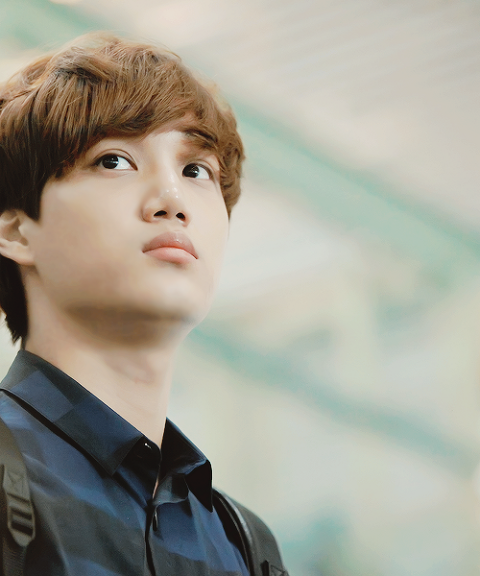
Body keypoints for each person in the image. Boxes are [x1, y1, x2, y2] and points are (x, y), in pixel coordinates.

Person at [0, 32, 286, 575]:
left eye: (196, 171)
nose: (172, 200)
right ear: (16, 230)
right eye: (114, 161)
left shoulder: (245, 547)